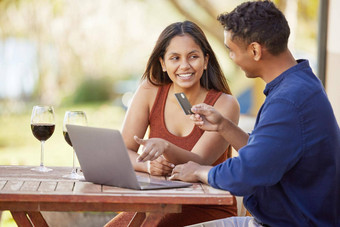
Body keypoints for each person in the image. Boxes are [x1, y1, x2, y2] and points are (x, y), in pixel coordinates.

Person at [170, 1, 340, 227]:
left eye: (231, 50)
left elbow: (246, 174)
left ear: (255, 50)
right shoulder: (300, 83)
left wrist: (200, 171)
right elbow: (266, 156)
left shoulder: (288, 101)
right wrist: (224, 126)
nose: (230, 57)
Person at [105, 21, 240, 227]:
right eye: (175, 58)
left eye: (193, 56)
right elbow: (123, 150)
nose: (184, 65)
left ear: (205, 61)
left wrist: (166, 147)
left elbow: (199, 162)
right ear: (162, 63)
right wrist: (149, 166)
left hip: (205, 207)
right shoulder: (149, 91)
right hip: (157, 202)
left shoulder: (225, 104)